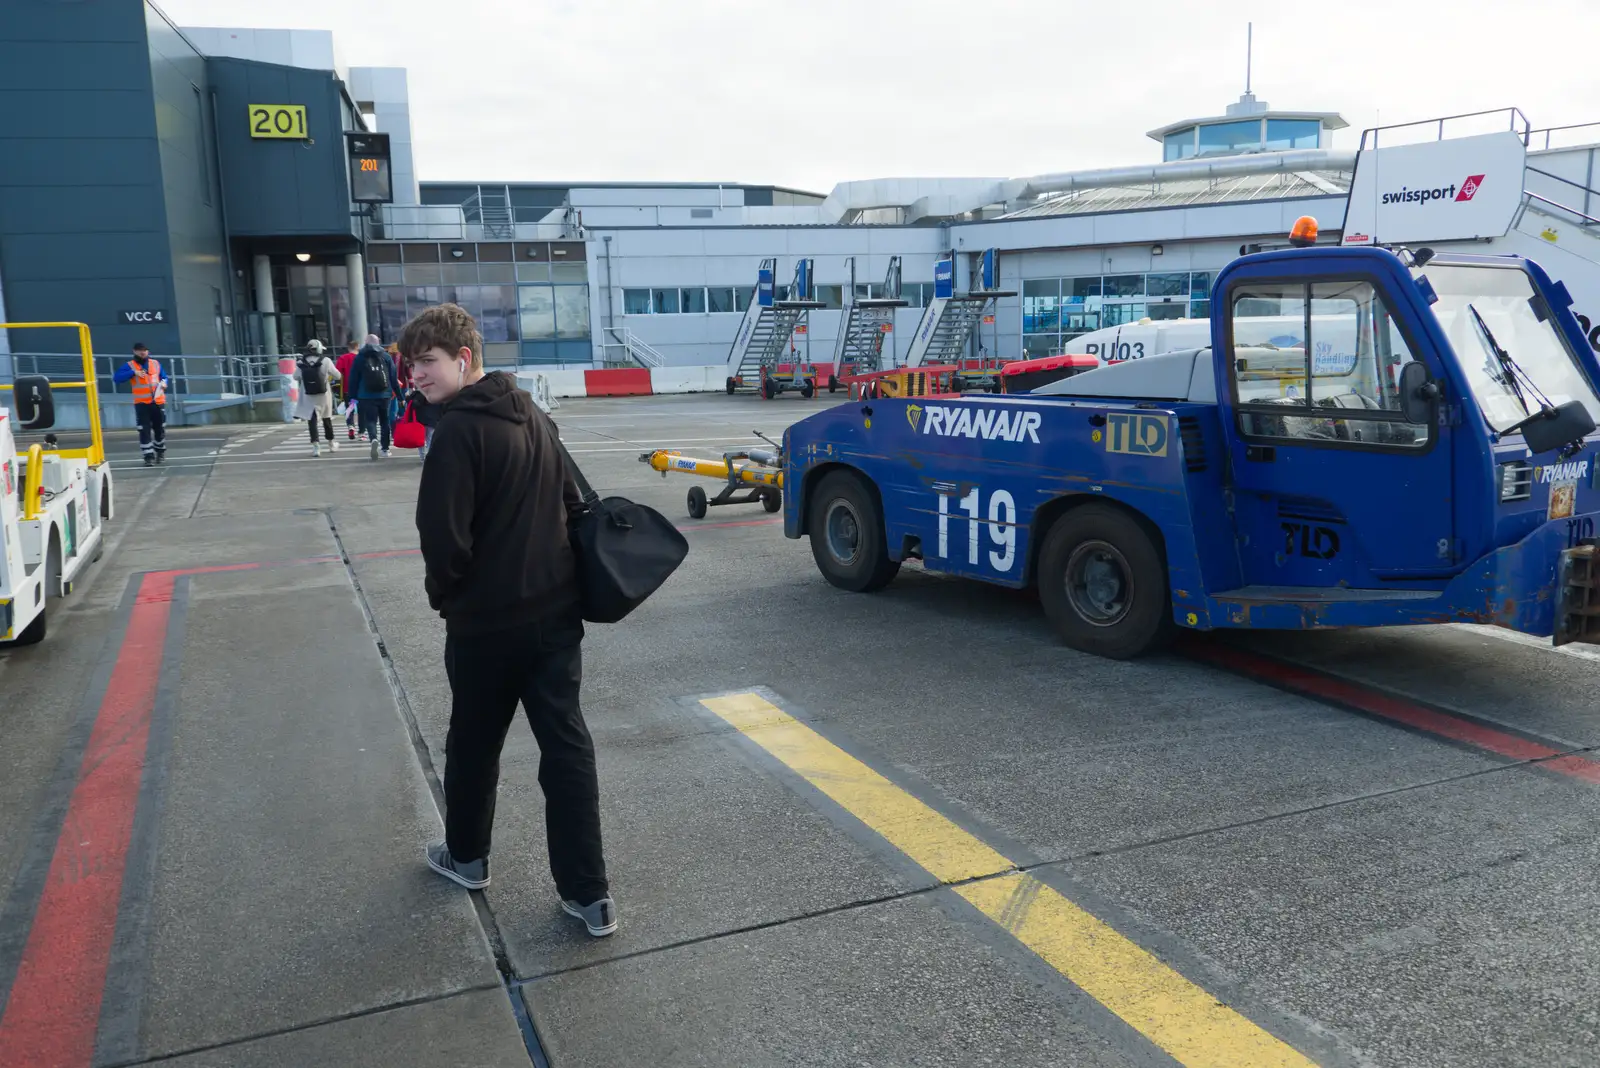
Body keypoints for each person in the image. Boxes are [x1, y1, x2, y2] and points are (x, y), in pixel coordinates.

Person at [398, 301, 616, 938]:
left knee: (473, 744)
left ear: (464, 358)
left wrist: (447, 597)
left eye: (427, 362)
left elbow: (443, 540)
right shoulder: (534, 414)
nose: (416, 375)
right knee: (567, 749)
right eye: (410, 365)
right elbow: (574, 503)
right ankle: (590, 895)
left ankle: (467, 857)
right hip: (555, 617)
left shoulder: (456, 433)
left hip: (486, 625)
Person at [113, 342, 168, 466]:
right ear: (134, 351)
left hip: (158, 402)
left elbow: (164, 377)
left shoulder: (155, 363)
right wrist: (133, 373)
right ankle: (148, 456)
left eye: (144, 350)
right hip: (142, 404)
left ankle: (160, 452)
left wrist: (164, 383)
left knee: (160, 429)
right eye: (139, 350)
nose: (142, 352)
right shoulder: (130, 365)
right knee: (144, 430)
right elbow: (117, 378)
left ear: (148, 351)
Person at [350, 334, 400, 459]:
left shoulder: (360, 357)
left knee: (370, 420)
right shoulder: (386, 356)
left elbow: (353, 379)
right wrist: (400, 396)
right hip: (385, 394)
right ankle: (385, 449)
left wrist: (352, 397)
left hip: (365, 395)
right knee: (384, 421)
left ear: (366, 343)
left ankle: (373, 439)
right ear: (378, 342)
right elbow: (393, 378)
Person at [294, 340, 342, 456]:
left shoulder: (301, 362)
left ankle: (316, 446)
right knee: (326, 418)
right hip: (323, 394)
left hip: (308, 395)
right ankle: (331, 443)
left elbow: (295, 377)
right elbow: (338, 375)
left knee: (312, 420)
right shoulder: (326, 361)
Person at [336, 339, 361, 441]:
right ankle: (361, 430)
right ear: (357, 347)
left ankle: (351, 426)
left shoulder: (343, 358)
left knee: (350, 408)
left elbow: (337, 373)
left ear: (348, 348)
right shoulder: (361, 357)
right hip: (361, 389)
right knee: (361, 410)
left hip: (348, 389)